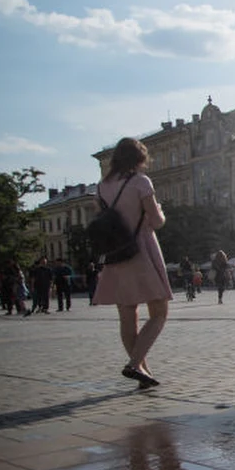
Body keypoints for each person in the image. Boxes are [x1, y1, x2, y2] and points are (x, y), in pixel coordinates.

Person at [92, 137, 171, 387]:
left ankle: (143, 372)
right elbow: (156, 221)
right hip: (141, 250)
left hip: (115, 255)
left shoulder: (102, 186)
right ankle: (135, 365)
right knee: (158, 312)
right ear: (139, 159)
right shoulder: (140, 182)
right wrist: (161, 211)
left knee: (127, 316)